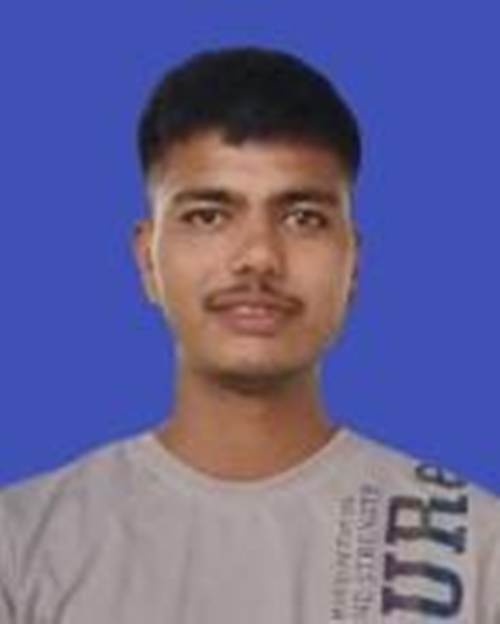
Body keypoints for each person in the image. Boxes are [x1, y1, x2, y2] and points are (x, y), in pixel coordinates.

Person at [0, 46, 499, 624]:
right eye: (209, 216)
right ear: (147, 259)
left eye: (303, 217)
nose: (259, 256)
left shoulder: (472, 552)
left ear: (354, 263)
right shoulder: (24, 546)